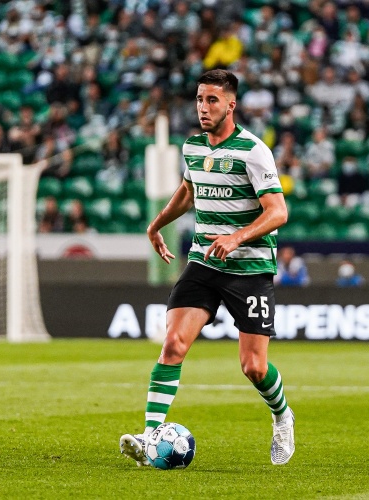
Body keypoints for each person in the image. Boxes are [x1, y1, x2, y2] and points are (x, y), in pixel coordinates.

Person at [119, 70, 294, 467]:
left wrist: (236, 238)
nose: (203, 107)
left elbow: (278, 212)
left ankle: (282, 416)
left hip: (249, 267)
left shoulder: (253, 151)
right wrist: (156, 224)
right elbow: (189, 191)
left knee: (253, 366)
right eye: (199, 99)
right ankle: (150, 438)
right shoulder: (193, 146)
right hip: (203, 261)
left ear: (231, 105)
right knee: (173, 345)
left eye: (212, 100)